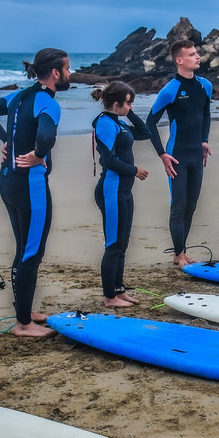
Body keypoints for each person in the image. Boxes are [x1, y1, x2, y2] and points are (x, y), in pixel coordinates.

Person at [0, 47, 70, 337]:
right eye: (67, 69)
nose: (70, 73)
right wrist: (40, 154)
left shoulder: (18, 97)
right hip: (30, 186)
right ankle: (23, 324)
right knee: (32, 252)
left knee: (23, 249)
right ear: (55, 73)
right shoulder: (47, 101)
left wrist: (10, 141)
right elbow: (46, 135)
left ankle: (25, 311)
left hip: (7, 182)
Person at [145, 39, 213, 268]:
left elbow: (206, 115)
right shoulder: (170, 90)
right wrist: (162, 154)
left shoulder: (205, 85)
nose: (197, 56)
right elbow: (150, 123)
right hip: (177, 156)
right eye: (192, 54)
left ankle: (180, 253)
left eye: (197, 53)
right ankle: (179, 254)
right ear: (179, 60)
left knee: (191, 205)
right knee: (179, 205)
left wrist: (204, 140)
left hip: (196, 154)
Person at [91, 81, 158, 308]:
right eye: (128, 103)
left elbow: (145, 132)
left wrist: (129, 113)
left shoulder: (118, 123)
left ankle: (119, 291)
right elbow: (108, 160)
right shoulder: (104, 124)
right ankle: (109, 297)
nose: (130, 107)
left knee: (122, 244)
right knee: (113, 244)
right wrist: (134, 171)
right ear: (116, 103)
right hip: (111, 191)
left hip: (123, 191)